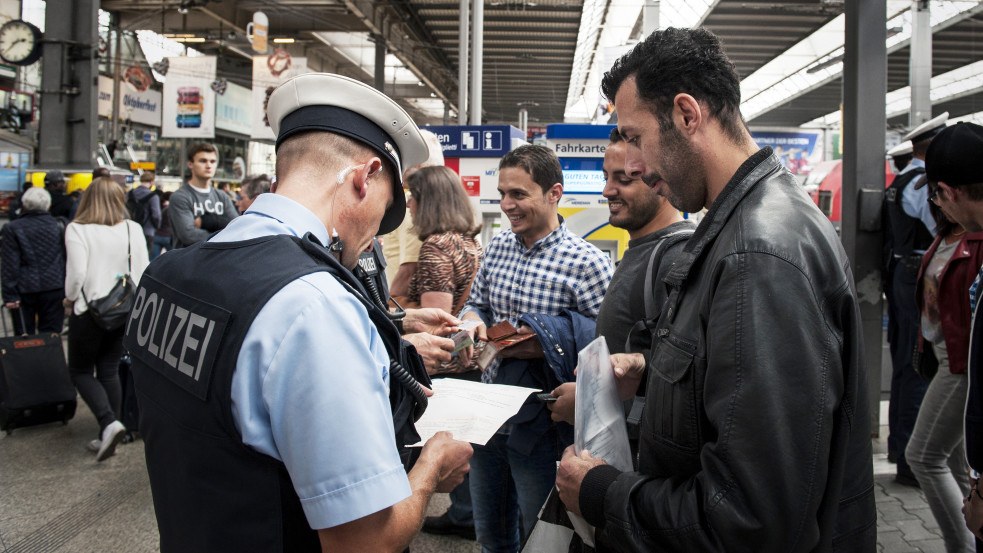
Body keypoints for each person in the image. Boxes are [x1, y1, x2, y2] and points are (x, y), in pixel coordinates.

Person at [554, 27, 876, 551]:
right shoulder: (744, 223)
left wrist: (602, 492)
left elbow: (750, 519)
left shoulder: (757, 257)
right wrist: (655, 374)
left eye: (635, 137)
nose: (632, 166)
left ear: (686, 115)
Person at [125, 72, 472, 553]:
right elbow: (364, 543)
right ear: (365, 177)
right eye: (385, 209)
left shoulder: (167, 272)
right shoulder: (315, 304)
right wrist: (431, 469)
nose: (374, 233)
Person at [459, 144, 614, 552]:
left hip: (544, 422)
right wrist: (473, 320)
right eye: (503, 193)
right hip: (488, 416)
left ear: (554, 194)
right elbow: (478, 301)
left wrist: (552, 345)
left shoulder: (588, 263)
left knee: (541, 535)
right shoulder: (496, 249)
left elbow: (606, 346)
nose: (507, 204)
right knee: (491, 532)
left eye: (519, 194)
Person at [547, 127, 695, 426]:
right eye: (606, 178)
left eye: (624, 179)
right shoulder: (641, 249)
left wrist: (587, 403)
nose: (607, 191)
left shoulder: (676, 257)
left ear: (661, 181)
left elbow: (687, 376)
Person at [403, 165, 483, 541]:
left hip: (446, 366)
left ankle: (464, 515)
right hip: (470, 361)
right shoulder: (469, 242)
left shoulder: (435, 247)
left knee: (447, 442)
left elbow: (436, 322)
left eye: (413, 199)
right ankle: (467, 512)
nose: (409, 207)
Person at [914, 122, 983, 545]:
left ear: (949, 192)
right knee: (958, 461)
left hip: (961, 366)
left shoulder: (975, 246)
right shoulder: (954, 235)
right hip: (951, 360)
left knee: (923, 455)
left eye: (936, 195)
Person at [64, 177, 149, 462]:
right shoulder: (131, 228)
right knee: (109, 369)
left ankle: (108, 422)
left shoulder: (77, 229)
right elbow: (142, 270)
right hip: (124, 310)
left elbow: (76, 275)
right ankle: (111, 428)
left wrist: (69, 298)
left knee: (79, 370)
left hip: (89, 311)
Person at [885, 112, 948, 485]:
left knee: (904, 366)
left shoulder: (901, 180)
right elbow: (937, 224)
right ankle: (910, 462)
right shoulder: (923, 185)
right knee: (917, 367)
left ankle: (899, 448)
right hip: (915, 281)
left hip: (900, 276)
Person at [382, 128, 445, 295]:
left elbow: (409, 270)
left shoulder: (417, 203)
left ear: (418, 163)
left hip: (408, 307)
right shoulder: (452, 197)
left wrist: (388, 311)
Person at [1, 187, 66, 335]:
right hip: (54, 287)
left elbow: (10, 265)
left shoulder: (12, 228)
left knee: (24, 337)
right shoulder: (59, 224)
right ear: (48, 205)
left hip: (24, 290)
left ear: (24, 206)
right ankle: (49, 358)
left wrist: (9, 295)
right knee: (51, 335)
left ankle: (26, 359)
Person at [167, 143, 237, 248]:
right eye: (203, 161)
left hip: (218, 260)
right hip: (189, 261)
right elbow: (188, 235)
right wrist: (225, 233)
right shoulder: (181, 197)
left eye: (212, 161)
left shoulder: (222, 196)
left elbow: (237, 227)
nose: (209, 166)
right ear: (190, 164)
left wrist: (207, 223)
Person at [127, 171, 162, 251]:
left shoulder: (130, 194)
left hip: (131, 230)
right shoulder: (153, 196)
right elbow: (156, 215)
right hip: (147, 230)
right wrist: (157, 226)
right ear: (152, 181)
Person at [150, 191, 172, 261]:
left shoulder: (159, 206)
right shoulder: (172, 209)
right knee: (173, 258)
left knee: (153, 259)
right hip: (168, 236)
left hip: (157, 235)